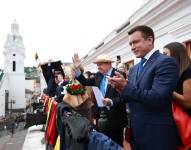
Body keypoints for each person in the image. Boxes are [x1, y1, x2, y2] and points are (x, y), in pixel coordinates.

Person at [107, 25, 179, 150]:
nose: (132, 47)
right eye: (130, 44)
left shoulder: (166, 62)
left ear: (150, 40)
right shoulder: (134, 69)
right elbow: (132, 97)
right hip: (137, 136)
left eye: (136, 42)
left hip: (157, 136)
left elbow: (158, 98)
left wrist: (126, 87)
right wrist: (121, 89)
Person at [72, 53, 127, 146]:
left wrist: (111, 102)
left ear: (109, 64)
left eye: (100, 64)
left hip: (115, 117)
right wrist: (77, 70)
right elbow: (85, 82)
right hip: (100, 117)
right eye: (97, 65)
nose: (98, 67)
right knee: (102, 144)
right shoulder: (98, 75)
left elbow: (125, 97)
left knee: (116, 145)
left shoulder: (119, 75)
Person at [163, 42, 191, 149]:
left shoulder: (188, 71)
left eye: (165, 54)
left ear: (175, 53)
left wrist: (168, 90)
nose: (162, 57)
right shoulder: (175, 71)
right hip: (177, 121)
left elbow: (188, 103)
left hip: (186, 120)